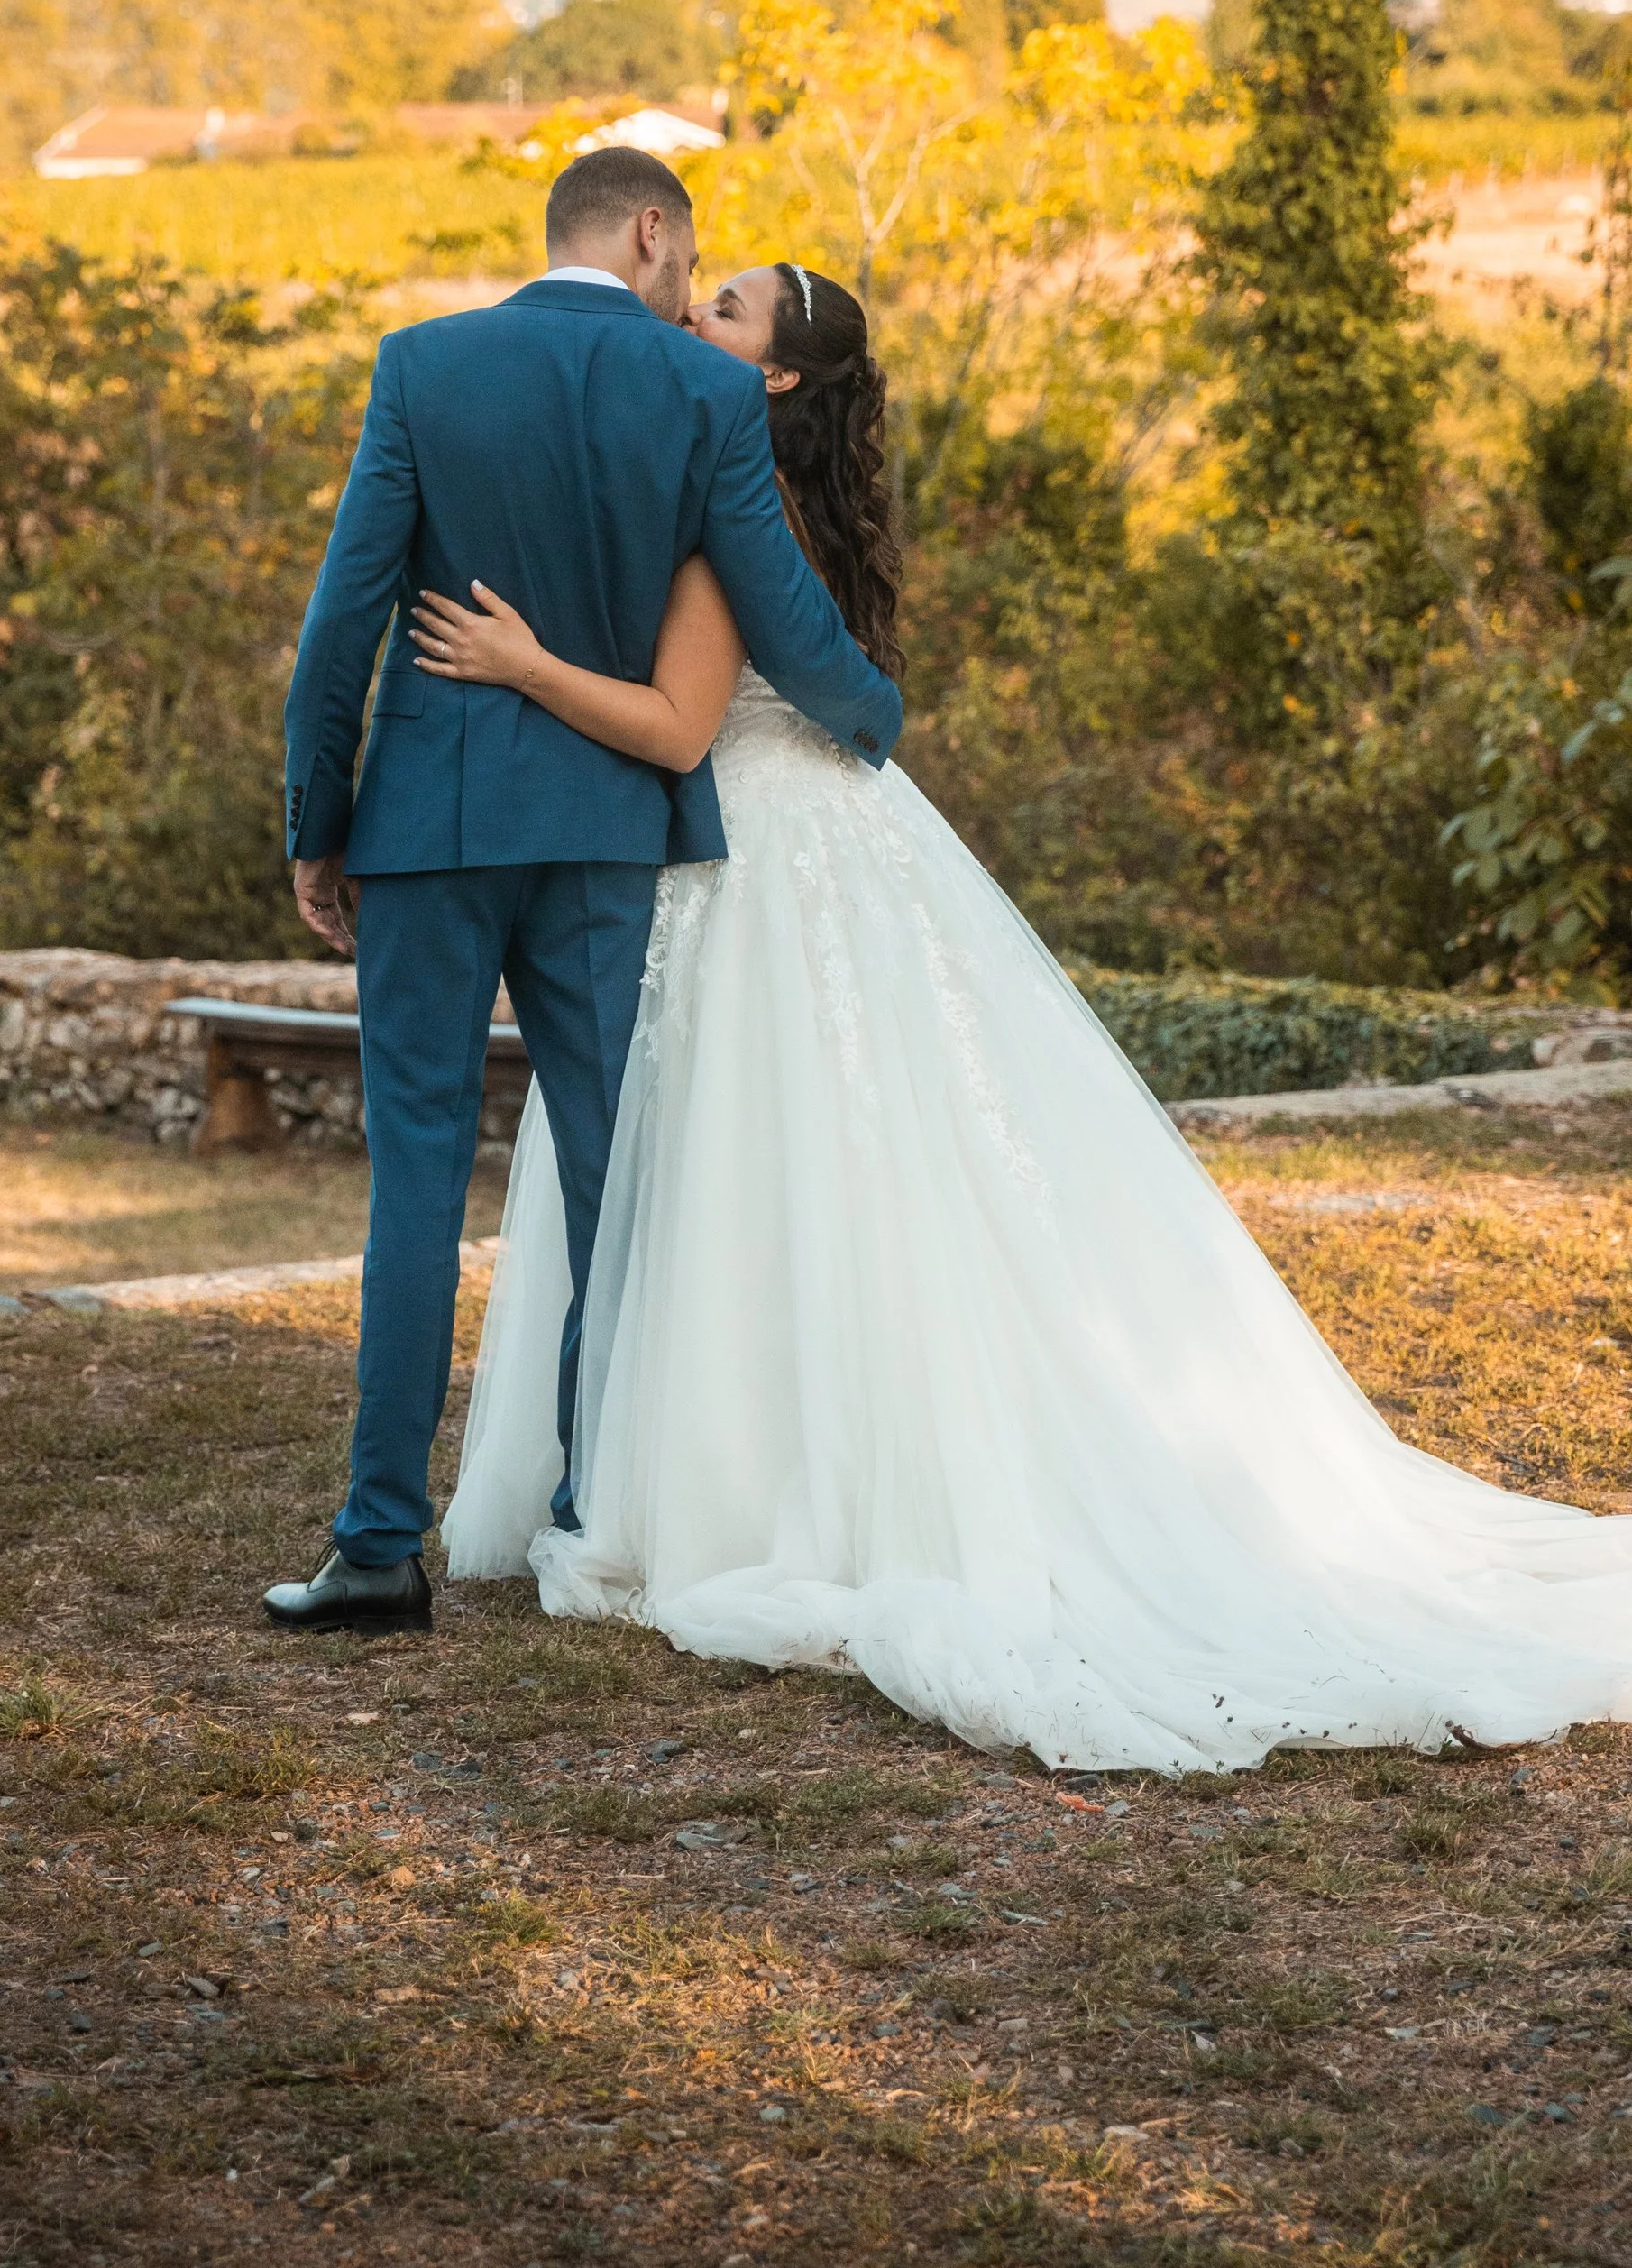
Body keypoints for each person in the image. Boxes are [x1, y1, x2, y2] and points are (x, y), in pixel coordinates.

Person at [428, 260, 1632, 1773]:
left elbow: (683, 722)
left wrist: (523, 663)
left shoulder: (735, 516)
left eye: (724, 309)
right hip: (820, 843)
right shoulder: (776, 497)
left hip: (754, 866)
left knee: (741, 1158)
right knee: (821, 1165)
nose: (693, 316)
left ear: (778, 379)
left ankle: (740, 1483)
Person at [262, 161, 903, 1637]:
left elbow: (345, 612)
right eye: (691, 268)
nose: (694, 297)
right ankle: (586, 1514)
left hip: (426, 828)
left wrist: (321, 819)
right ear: (650, 232)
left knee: (416, 1180)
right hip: (610, 836)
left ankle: (377, 1545)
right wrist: (872, 714)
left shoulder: (424, 364)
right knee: (615, 1189)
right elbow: (784, 614)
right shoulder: (705, 397)